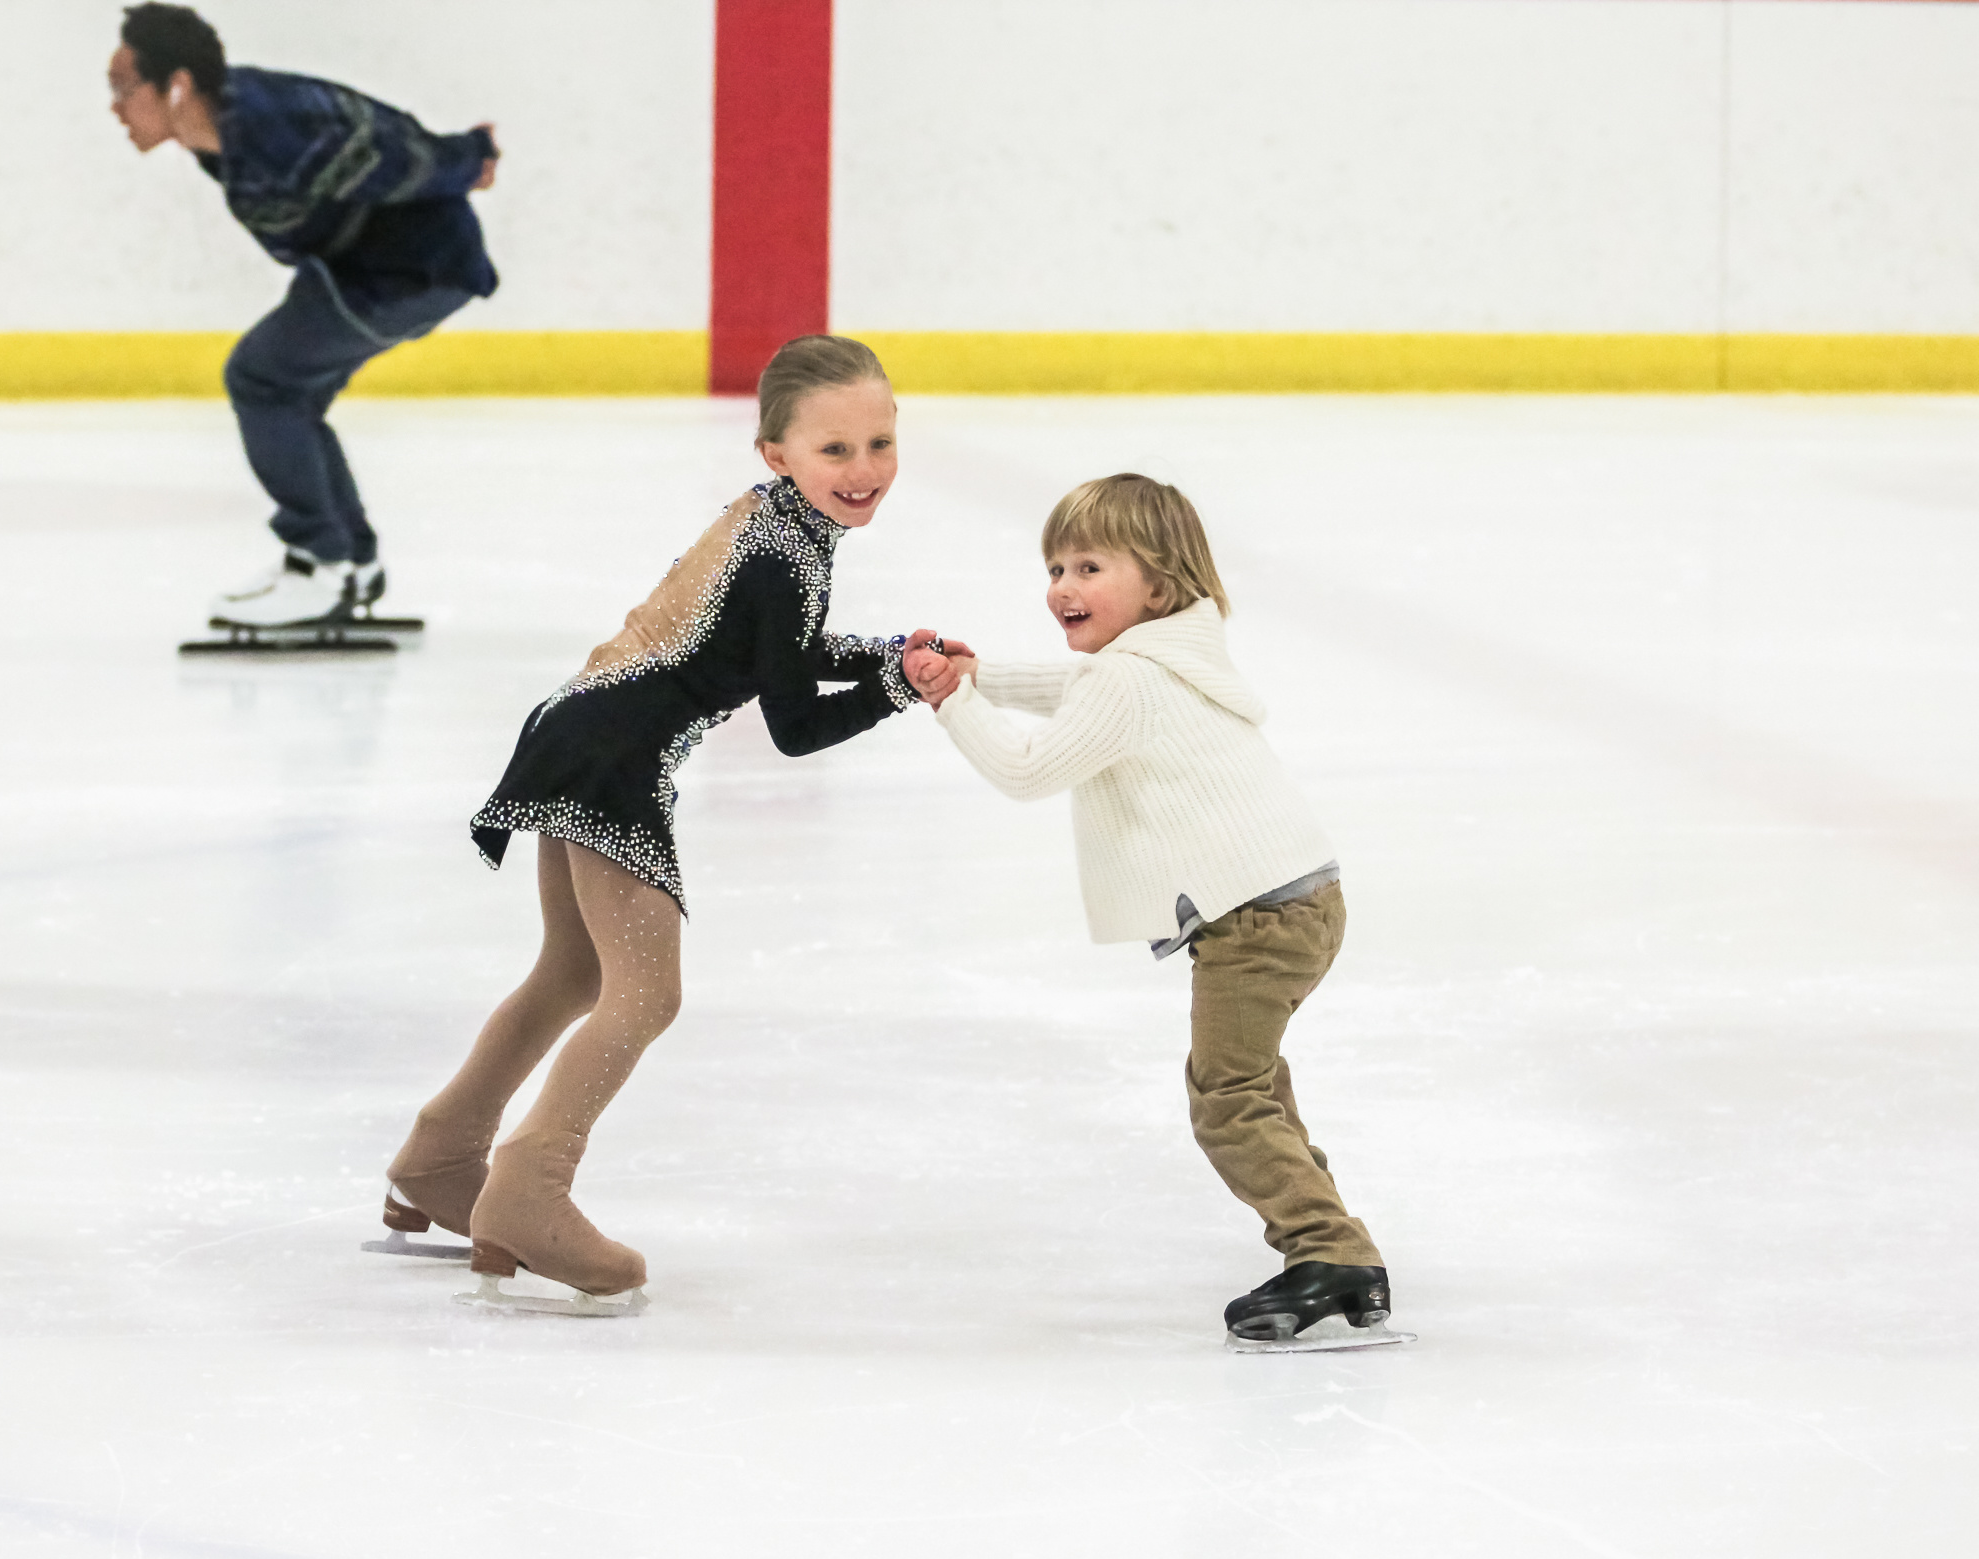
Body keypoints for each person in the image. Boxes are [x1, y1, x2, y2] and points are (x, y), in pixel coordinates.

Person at [378, 335, 934, 1312]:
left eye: (880, 444)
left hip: (579, 723)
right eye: (836, 451)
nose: (864, 471)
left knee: (571, 974)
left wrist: (885, 655)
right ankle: (528, 1189)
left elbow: (777, 656)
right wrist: (895, 687)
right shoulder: (784, 557)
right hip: (612, 759)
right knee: (644, 994)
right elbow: (794, 723)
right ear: (775, 454)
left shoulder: (781, 528)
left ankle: (440, 1154)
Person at [904, 475, 1391, 1344]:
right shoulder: (1178, 652)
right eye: (1055, 564)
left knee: (1226, 1100)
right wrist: (985, 674)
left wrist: (955, 701)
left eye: (1089, 565)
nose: (1061, 585)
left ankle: (1331, 1252)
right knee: (1254, 1085)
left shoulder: (1126, 680)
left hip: (1253, 922)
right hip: (1302, 899)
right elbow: (1081, 687)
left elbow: (1028, 771)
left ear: (1157, 585)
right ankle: (1333, 1245)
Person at [107, 4, 500, 628]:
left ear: (177, 86)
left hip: (412, 271)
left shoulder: (273, 124)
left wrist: (466, 157)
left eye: (124, 90)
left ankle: (322, 563)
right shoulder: (225, 136)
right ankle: (351, 564)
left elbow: (383, 141)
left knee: (262, 378)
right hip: (365, 271)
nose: (115, 108)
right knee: (285, 390)